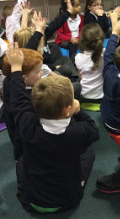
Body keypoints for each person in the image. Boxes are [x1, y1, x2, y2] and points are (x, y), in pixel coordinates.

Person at [6, 43, 99, 214]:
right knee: (88, 153)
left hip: (30, 199)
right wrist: (78, 111)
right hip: (67, 201)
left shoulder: (27, 125)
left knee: (22, 162)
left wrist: (16, 68)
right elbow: (93, 129)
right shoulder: (79, 133)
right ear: (67, 109)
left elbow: (18, 100)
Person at [2, 48, 43, 161]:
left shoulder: (9, 80)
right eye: (38, 71)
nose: (42, 73)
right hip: (25, 146)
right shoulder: (26, 99)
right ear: (23, 78)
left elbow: (22, 67)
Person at [75, 23, 105, 103]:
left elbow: (80, 75)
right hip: (101, 96)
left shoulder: (78, 57)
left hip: (84, 95)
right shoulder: (105, 55)